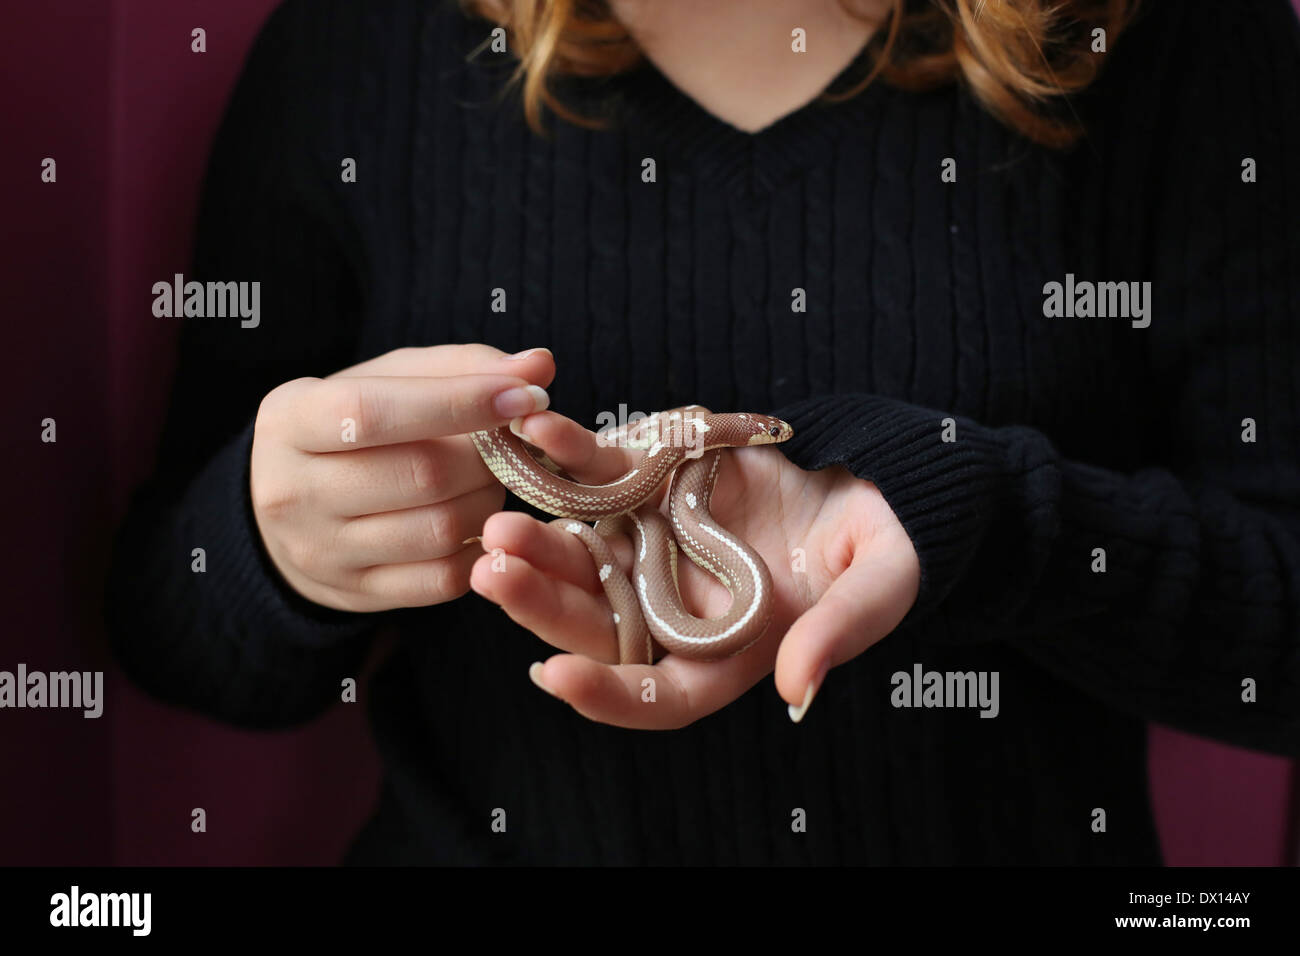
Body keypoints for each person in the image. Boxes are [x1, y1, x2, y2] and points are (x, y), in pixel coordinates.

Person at [108, 0, 1300, 864]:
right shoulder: (353, 47)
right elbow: (173, 626)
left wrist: (976, 517)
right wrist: (276, 544)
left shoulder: (1176, 40)